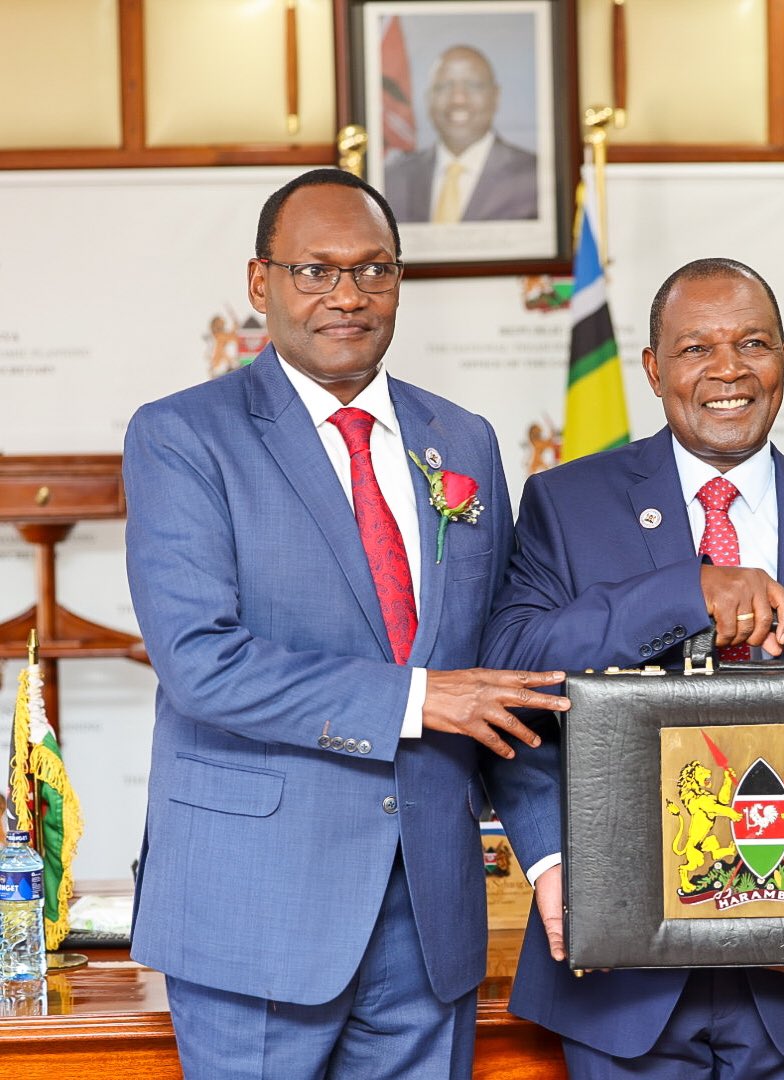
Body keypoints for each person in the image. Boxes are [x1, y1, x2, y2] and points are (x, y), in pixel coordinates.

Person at [123, 168, 567, 1079]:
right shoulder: (183, 436)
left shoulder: (464, 441)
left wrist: (552, 853)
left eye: (374, 270)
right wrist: (415, 697)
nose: (348, 296)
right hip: (258, 915)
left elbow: (496, 677)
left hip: (432, 917)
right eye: (315, 271)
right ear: (261, 283)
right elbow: (201, 663)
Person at [480, 257, 784, 1079]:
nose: (728, 370)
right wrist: (684, 592)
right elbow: (512, 671)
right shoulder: (565, 504)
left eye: (752, 343)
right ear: (653, 370)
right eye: (696, 349)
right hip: (619, 971)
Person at [385, 44, 537, 224]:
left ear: (496, 96)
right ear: (428, 99)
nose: (458, 99)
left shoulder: (535, 176)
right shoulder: (393, 178)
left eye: (473, 85)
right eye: (444, 87)